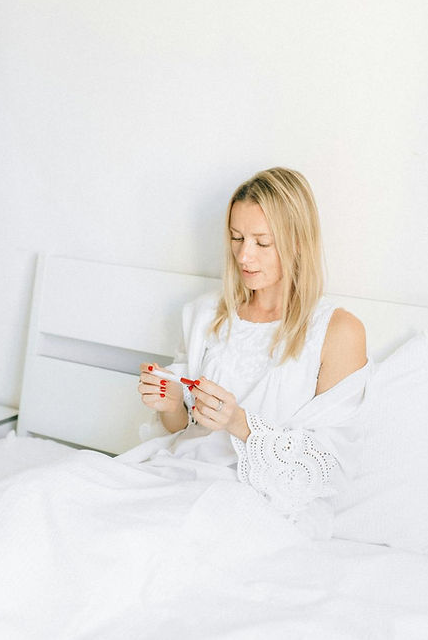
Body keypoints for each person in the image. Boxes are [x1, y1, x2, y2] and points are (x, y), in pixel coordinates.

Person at [122, 167, 371, 537]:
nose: (243, 256)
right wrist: (172, 403)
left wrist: (238, 421)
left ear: (298, 242)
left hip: (255, 505)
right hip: (177, 476)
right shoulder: (206, 315)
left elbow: (326, 467)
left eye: (261, 242)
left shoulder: (337, 332)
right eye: (236, 238)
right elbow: (180, 430)